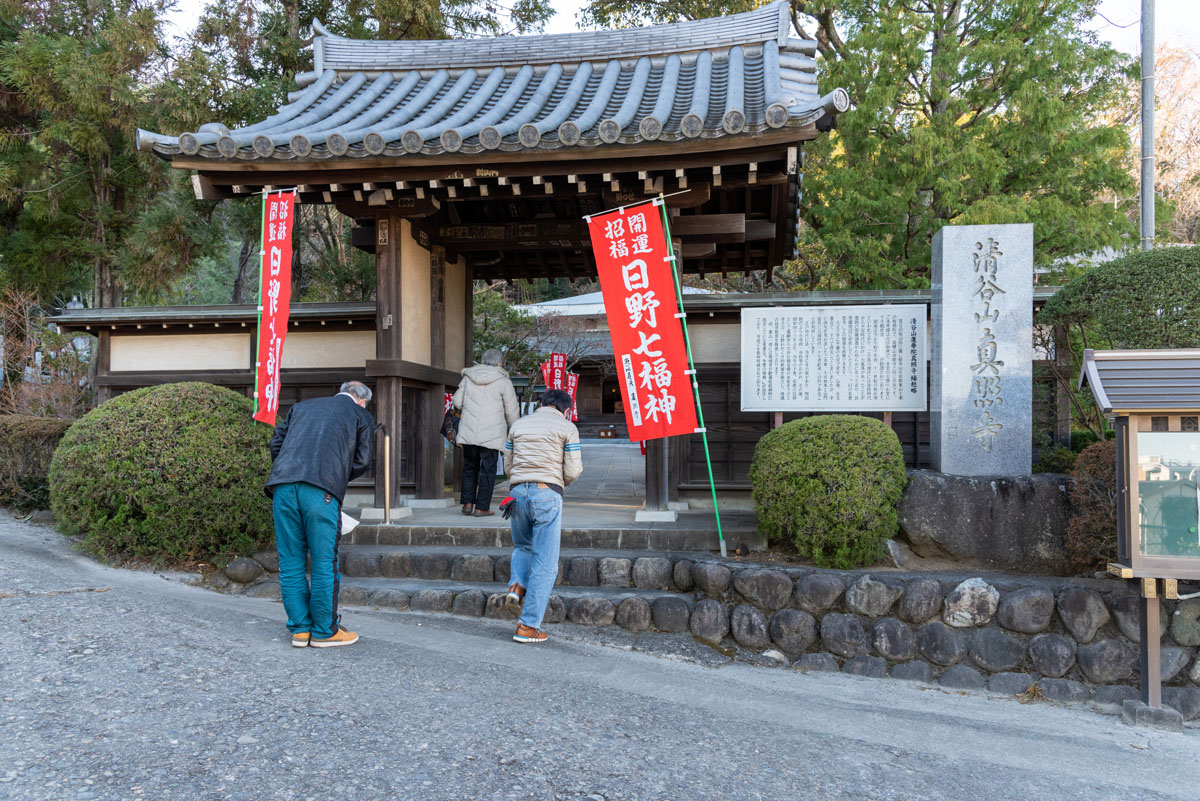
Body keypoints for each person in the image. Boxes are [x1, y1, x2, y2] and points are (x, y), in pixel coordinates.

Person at [265, 381, 374, 648]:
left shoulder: (301, 407)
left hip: (282, 486)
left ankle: (300, 630)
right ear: (362, 400)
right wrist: (333, 477)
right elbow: (361, 460)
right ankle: (325, 631)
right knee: (324, 560)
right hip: (320, 489)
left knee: (291, 560)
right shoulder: (360, 415)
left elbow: (275, 445)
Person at [502, 389, 583, 643]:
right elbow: (573, 469)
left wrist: (517, 480)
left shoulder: (519, 425)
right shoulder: (567, 427)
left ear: (541, 404)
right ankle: (527, 627)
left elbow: (507, 463)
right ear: (566, 409)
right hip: (546, 493)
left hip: (516, 494)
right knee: (545, 563)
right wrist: (560, 484)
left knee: (523, 546)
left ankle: (516, 585)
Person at [452, 349, 519, 517]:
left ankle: (467, 503)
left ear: (482, 361)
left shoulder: (468, 377)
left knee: (469, 466)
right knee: (488, 470)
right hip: (492, 433)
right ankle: (482, 507)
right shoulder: (503, 381)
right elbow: (511, 410)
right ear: (499, 362)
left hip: (469, 431)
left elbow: (457, 402)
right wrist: (515, 430)